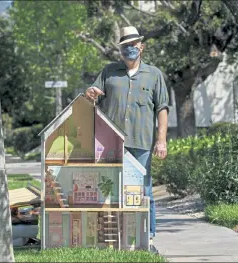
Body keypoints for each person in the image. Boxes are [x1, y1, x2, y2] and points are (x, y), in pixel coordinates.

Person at [85, 26, 169, 253]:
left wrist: (161, 140)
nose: (129, 49)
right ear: (120, 50)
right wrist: (90, 93)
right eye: (125, 46)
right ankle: (108, 239)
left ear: (141, 46)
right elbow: (91, 95)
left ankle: (147, 238)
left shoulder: (154, 75)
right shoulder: (108, 72)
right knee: (108, 189)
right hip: (109, 142)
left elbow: (162, 108)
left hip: (141, 142)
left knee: (143, 191)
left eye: (133, 45)